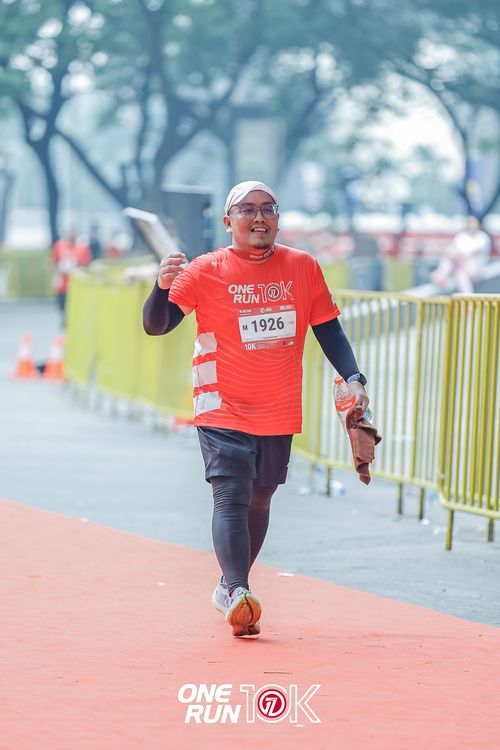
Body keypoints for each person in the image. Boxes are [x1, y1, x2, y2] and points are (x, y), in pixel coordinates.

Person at [142, 180, 369, 638]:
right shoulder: (205, 270)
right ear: (229, 222)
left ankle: (228, 586)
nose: (259, 218)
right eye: (247, 210)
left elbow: (328, 329)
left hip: (278, 404)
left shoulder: (302, 267)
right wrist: (161, 288)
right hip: (221, 403)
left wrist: (354, 378)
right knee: (230, 494)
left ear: (278, 218)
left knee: (261, 496)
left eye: (268, 209)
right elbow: (157, 326)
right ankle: (239, 590)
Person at [431, 215, 491, 294]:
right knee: (450, 261)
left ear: (478, 224)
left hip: (476, 268)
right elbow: (452, 250)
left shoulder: (483, 237)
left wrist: (457, 256)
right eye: (470, 223)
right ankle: (441, 276)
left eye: (473, 223)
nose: (472, 225)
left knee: (461, 273)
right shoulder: (461, 236)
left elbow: (471, 253)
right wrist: (453, 255)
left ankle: (467, 298)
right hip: (460, 266)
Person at [52, 229, 91, 326]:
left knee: (76, 304)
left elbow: (87, 264)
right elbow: (55, 263)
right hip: (63, 283)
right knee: (63, 304)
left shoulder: (82, 247)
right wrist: (56, 276)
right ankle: (65, 321)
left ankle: (74, 321)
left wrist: (77, 266)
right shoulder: (59, 246)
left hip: (77, 283)